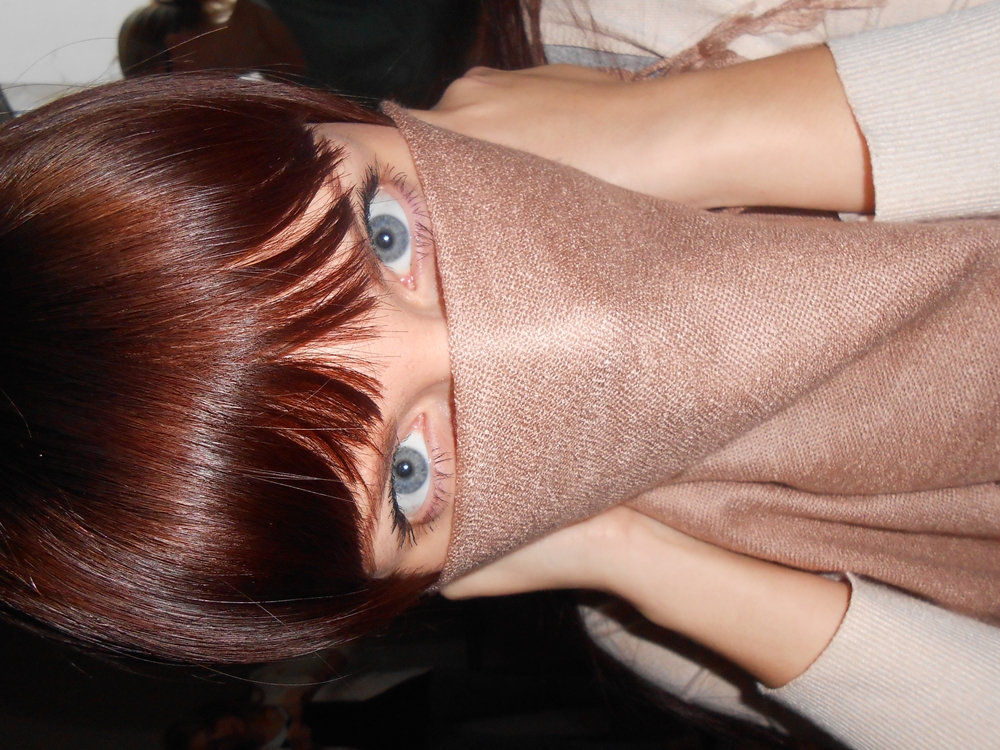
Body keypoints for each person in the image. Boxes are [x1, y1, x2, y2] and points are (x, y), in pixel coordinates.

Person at [2, 5, 999, 749]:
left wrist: (688, 126)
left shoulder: (663, 21)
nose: (552, 337)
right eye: (406, 473)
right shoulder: (670, 619)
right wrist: (632, 557)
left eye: (382, 235)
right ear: (414, 582)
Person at [118, 0, 539, 107]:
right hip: (520, 82)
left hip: (523, 17)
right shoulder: (299, 99)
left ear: (177, 40)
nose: (195, 89)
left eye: (173, 77)